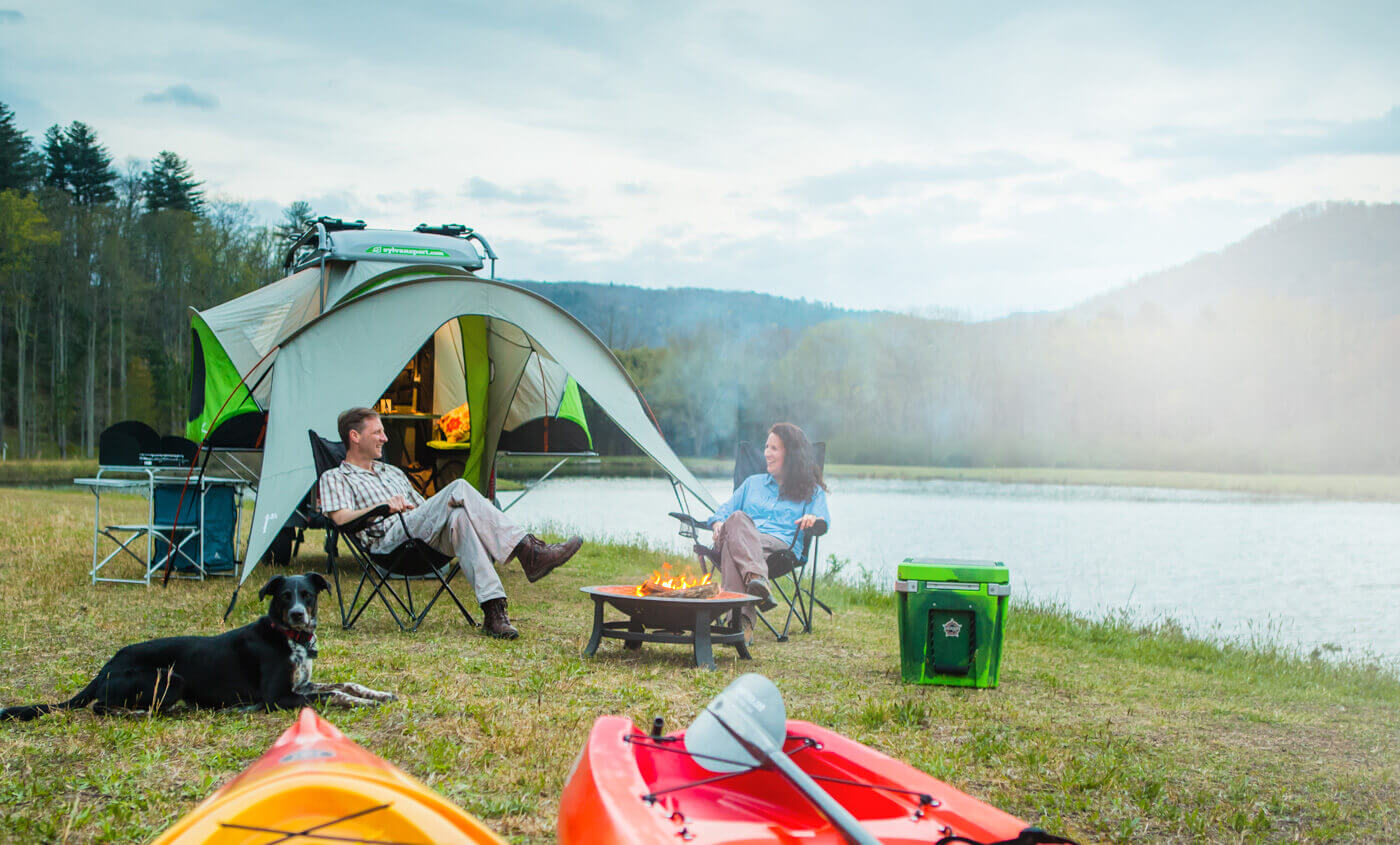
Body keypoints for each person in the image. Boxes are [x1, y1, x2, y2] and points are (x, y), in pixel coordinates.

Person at [317, 407, 582, 639]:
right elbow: (341, 520)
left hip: (418, 536)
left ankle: (493, 610)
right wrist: (383, 507)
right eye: (378, 433)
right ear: (355, 436)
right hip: (386, 543)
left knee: (459, 517)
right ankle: (529, 552)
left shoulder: (392, 472)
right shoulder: (335, 477)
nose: (385, 438)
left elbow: (424, 509)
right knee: (459, 488)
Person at [707, 422, 830, 645]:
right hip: (745, 541)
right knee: (736, 519)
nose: (767, 454)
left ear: (791, 454)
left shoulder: (811, 490)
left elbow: (822, 520)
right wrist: (717, 522)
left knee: (731, 544)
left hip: (780, 548)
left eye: (774, 448)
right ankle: (755, 584)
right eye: (766, 447)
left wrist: (813, 519)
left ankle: (739, 620)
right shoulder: (751, 483)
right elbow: (724, 511)